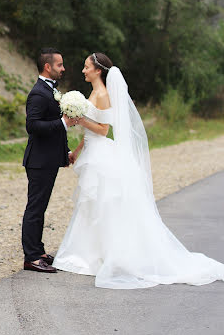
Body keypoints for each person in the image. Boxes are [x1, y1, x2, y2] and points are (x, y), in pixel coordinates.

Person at [53, 52, 224, 288]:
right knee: (91, 203)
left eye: (86, 67)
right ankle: (88, 254)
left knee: (103, 203)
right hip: (92, 151)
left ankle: (105, 256)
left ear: (98, 71)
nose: (83, 70)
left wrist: (80, 119)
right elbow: (90, 133)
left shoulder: (102, 94)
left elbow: (102, 130)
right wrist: (77, 150)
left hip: (101, 154)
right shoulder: (93, 92)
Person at [22, 48, 75, 273]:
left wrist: (66, 151)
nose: (63, 69)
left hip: (49, 159)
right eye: (59, 65)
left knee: (40, 207)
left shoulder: (50, 90)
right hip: (39, 161)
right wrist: (63, 123)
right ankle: (31, 257)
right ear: (48, 67)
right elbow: (32, 126)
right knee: (35, 208)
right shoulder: (38, 93)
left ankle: (39, 250)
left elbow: (53, 128)